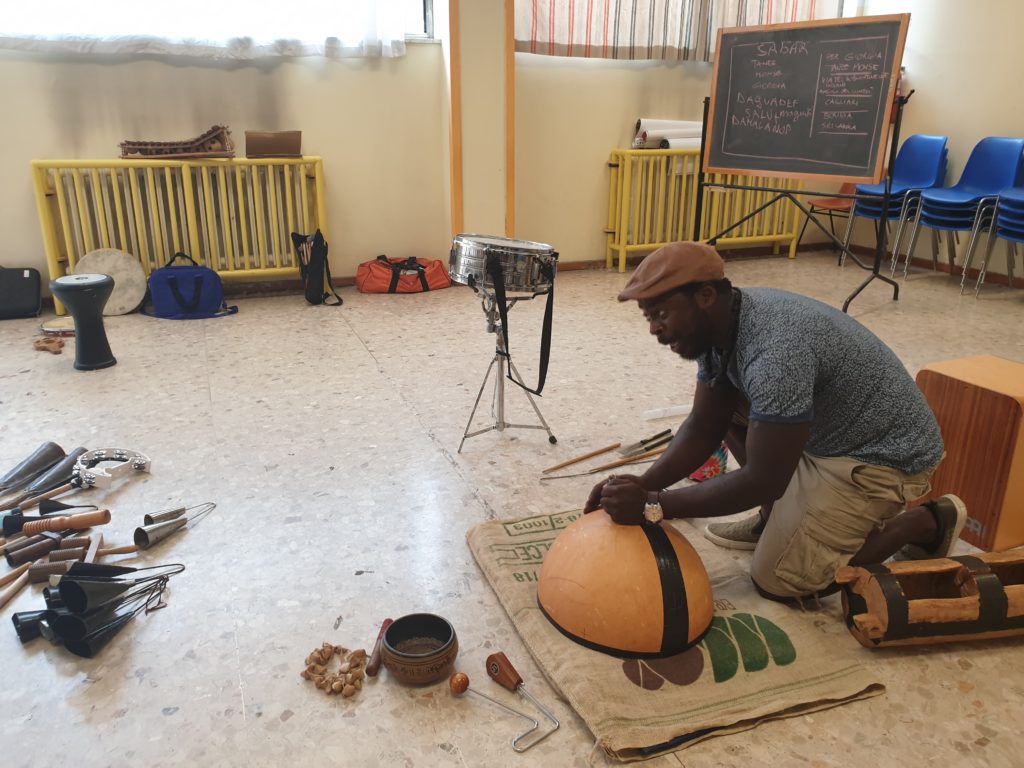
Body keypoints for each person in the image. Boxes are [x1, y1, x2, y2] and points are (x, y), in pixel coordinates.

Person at [584, 241, 966, 601]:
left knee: (780, 580)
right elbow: (704, 424)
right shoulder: (721, 323)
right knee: (728, 405)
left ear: (705, 296)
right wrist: (643, 483)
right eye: (649, 317)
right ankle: (774, 518)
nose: (654, 329)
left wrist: (654, 505)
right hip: (824, 431)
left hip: (880, 457)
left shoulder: (775, 353)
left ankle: (925, 523)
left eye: (661, 314)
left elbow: (764, 479)